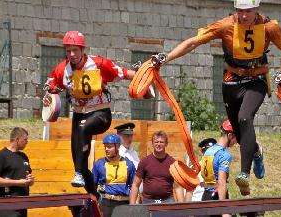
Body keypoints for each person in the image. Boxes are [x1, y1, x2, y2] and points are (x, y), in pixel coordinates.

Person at [154, 0, 281, 195]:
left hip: (256, 79)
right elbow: (193, 43)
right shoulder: (225, 25)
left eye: (248, 11)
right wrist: (166, 57)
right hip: (231, 80)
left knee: (246, 118)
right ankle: (255, 151)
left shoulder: (269, 27)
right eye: (240, 10)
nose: (244, 16)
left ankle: (244, 174)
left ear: (257, 9)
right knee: (238, 132)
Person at [42, 30, 136, 199]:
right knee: (78, 159)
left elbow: (123, 73)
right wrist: (49, 95)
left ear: (83, 49)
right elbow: (50, 85)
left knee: (84, 130)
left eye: (75, 50)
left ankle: (78, 174)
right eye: (68, 50)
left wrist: (143, 79)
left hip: (100, 113)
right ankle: (95, 197)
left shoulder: (98, 64)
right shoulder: (62, 69)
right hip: (79, 115)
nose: (72, 54)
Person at [0, 127, 35, 217]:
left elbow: (28, 181)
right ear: (17, 139)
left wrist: (30, 181)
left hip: (22, 206)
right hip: (7, 206)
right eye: (25, 139)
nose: (27, 142)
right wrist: (18, 182)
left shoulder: (24, 156)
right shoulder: (1, 155)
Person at [129, 131, 185, 204]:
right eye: (156, 142)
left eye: (161, 142)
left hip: (167, 201)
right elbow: (135, 185)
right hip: (148, 202)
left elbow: (178, 187)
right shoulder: (144, 162)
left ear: (166, 144)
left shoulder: (173, 163)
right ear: (152, 144)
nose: (159, 144)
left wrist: (182, 206)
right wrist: (131, 205)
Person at [92, 133, 136, 217]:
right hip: (106, 203)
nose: (106, 149)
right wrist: (95, 204)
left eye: (109, 147)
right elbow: (93, 186)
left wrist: (134, 205)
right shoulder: (99, 164)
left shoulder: (129, 164)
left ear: (118, 146)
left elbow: (134, 186)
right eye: (105, 146)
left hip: (124, 204)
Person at [201, 120, 236, 217]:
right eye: (236, 137)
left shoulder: (208, 151)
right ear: (230, 135)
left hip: (206, 196)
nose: (236, 142)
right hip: (217, 199)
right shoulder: (224, 154)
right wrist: (224, 209)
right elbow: (221, 181)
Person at [185, 137, 217, 202]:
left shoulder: (220, 167)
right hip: (198, 206)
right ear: (202, 152)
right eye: (207, 151)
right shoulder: (194, 169)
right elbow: (189, 192)